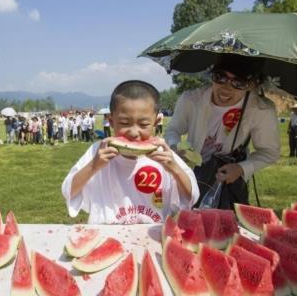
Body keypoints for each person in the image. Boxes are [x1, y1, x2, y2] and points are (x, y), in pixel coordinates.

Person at [61, 80, 199, 224]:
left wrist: (175, 169)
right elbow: (69, 192)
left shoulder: (164, 155)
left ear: (156, 122)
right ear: (111, 121)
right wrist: (94, 166)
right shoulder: (98, 151)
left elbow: (191, 197)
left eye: (144, 124)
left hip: (151, 237)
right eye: (125, 123)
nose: (134, 132)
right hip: (105, 235)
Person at [165, 54, 280, 209]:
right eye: (220, 77)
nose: (226, 87)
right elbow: (173, 130)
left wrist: (241, 168)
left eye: (238, 82)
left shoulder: (261, 110)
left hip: (228, 179)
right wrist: (174, 148)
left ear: (252, 84)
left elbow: (269, 152)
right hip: (189, 175)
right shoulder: (191, 99)